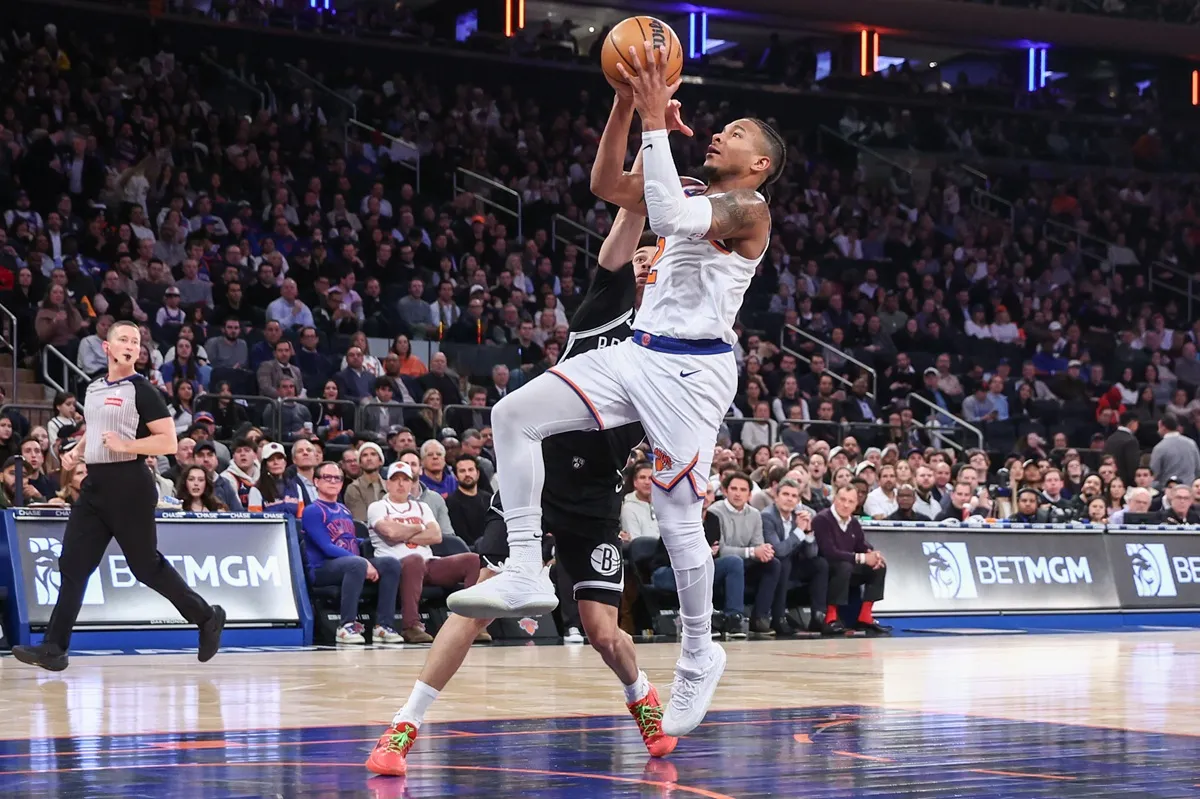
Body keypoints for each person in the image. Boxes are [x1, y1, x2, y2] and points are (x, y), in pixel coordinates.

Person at [447, 42, 782, 738]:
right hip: (637, 353)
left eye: (738, 134)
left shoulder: (748, 208)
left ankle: (698, 653)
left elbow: (666, 219)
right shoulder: (686, 184)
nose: (720, 133)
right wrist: (626, 105)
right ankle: (523, 569)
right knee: (513, 414)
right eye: (725, 128)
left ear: (759, 165)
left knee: (677, 513)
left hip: (694, 375)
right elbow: (607, 184)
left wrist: (657, 118)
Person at [368, 206, 678, 775]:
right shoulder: (603, 313)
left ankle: (642, 698)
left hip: (595, 502)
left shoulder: (669, 354)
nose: (640, 261)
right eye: (638, 254)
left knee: (603, 632)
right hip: (533, 489)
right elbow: (620, 236)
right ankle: (401, 729)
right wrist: (641, 192)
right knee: (478, 603)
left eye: (652, 258)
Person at [12, 321, 226, 671]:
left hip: (131, 483)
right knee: (73, 565)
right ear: (107, 347)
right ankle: (54, 648)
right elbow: (95, 430)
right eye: (123, 339)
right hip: (95, 485)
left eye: (136, 341)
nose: (130, 345)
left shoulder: (142, 390)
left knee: (145, 568)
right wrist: (77, 451)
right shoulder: (94, 387)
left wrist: (126, 445)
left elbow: (168, 442)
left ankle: (206, 617)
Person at [367, 462, 486, 644]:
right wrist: (419, 527)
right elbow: (390, 532)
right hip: (396, 565)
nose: (400, 484)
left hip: (428, 562)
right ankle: (411, 626)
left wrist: (403, 532)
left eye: (405, 480)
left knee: (473, 560)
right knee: (414, 560)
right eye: (395, 479)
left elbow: (436, 536)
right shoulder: (378, 507)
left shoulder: (422, 507)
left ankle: (470, 623)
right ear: (386, 483)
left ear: (412, 483)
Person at [301, 461, 403, 644]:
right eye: (327, 477)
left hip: (348, 564)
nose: (333, 481)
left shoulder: (344, 510)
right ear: (316, 482)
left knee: (391, 563)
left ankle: (383, 626)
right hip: (322, 568)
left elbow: (350, 541)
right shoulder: (313, 510)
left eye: (337, 478)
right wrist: (363, 562)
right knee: (356, 564)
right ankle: (346, 626)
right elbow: (326, 547)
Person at [760, 478, 837, 635]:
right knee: (784, 562)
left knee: (820, 564)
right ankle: (778, 618)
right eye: (785, 494)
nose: (789, 499)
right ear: (776, 496)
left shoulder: (799, 517)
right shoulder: (767, 516)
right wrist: (800, 532)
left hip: (793, 566)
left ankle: (818, 616)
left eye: (794, 496)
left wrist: (808, 532)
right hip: (771, 566)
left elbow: (811, 553)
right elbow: (779, 551)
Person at [812, 485, 889, 636]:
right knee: (844, 566)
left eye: (850, 501)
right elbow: (829, 552)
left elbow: (862, 544)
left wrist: (873, 555)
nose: (846, 505)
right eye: (842, 500)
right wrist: (862, 558)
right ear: (834, 499)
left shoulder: (853, 522)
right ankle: (830, 617)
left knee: (879, 567)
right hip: (826, 569)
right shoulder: (822, 519)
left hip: (847, 567)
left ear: (856, 505)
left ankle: (865, 617)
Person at [445, 454, 491, 548]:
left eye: (471, 470)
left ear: (477, 473)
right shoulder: (451, 502)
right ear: (456, 476)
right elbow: (461, 537)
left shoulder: (488, 498)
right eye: (462, 471)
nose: (467, 474)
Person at [247, 442, 304, 516]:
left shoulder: (296, 487)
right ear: (265, 465)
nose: (276, 462)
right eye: (271, 459)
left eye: (279, 458)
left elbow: (300, 517)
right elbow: (255, 520)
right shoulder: (256, 490)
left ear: (285, 462)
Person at [343, 442, 387, 523]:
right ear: (360, 463)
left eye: (373, 454)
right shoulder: (353, 488)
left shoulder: (389, 486)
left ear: (380, 461)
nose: (369, 458)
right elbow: (361, 522)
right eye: (365, 455)